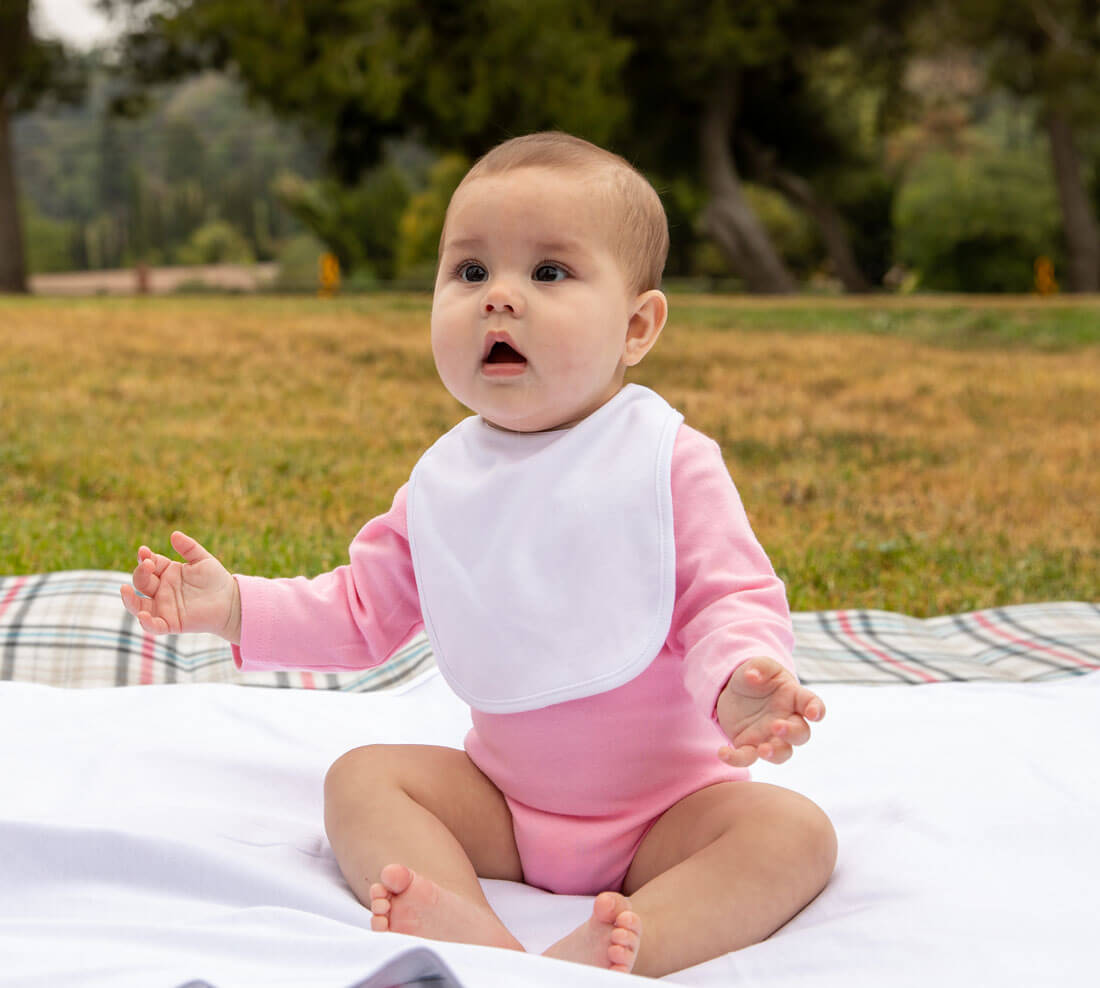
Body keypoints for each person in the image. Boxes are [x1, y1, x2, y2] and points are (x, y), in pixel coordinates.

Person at [121, 132, 837, 978]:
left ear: (637, 326)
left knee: (794, 836)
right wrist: (235, 605)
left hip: (671, 815)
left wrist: (740, 680)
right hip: (506, 805)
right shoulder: (445, 483)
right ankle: (477, 935)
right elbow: (360, 610)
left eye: (548, 273)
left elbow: (729, 593)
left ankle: (632, 943)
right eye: (469, 273)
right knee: (361, 781)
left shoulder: (664, 460)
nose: (499, 298)